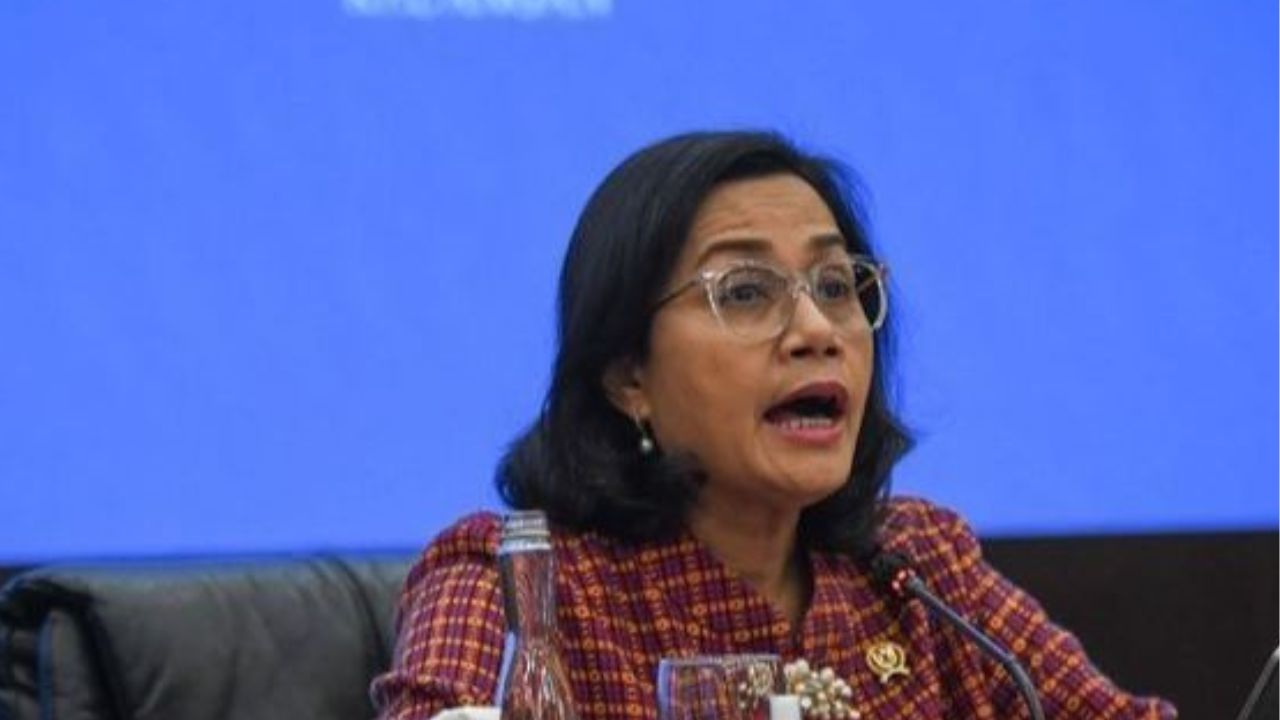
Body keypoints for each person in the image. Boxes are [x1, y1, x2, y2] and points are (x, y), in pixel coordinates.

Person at [370, 131, 1177, 719]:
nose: (817, 330)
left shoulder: (919, 569)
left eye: (836, 285)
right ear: (627, 375)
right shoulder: (516, 584)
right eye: (746, 292)